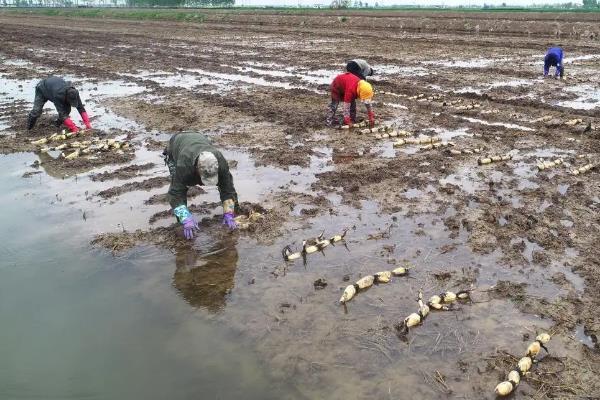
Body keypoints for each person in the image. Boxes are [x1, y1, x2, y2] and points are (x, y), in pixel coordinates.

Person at [164, 132, 239, 240]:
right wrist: (184, 217)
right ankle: (184, 225)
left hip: (199, 137)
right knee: (178, 191)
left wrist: (229, 212)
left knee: (229, 195)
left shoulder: (220, 162)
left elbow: (228, 189)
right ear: (197, 169)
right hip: (177, 143)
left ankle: (232, 216)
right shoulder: (183, 165)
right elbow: (175, 193)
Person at [27, 76, 92, 133]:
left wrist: (87, 124)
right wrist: (74, 128)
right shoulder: (58, 95)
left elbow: (81, 108)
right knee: (36, 111)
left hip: (54, 88)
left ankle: (56, 124)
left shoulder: (74, 92)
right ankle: (29, 127)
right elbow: (62, 113)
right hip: (42, 89)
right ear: (66, 98)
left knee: (67, 110)